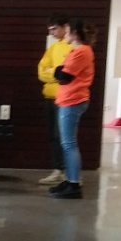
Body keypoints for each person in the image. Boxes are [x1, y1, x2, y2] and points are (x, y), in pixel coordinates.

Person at [50, 20, 97, 199]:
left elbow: (63, 75)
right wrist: (59, 71)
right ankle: (70, 180)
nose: (65, 34)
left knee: (69, 144)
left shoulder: (82, 51)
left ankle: (73, 183)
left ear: (75, 33)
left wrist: (58, 71)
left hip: (73, 100)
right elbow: (61, 72)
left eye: (68, 30)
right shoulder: (76, 51)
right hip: (68, 100)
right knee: (67, 143)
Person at [36, 14, 72, 185]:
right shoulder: (53, 48)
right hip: (49, 97)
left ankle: (69, 172)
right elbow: (41, 71)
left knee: (63, 136)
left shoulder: (72, 48)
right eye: (50, 30)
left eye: (54, 29)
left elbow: (66, 74)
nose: (52, 33)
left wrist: (53, 73)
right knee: (53, 135)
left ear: (65, 27)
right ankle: (58, 170)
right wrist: (55, 74)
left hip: (64, 99)